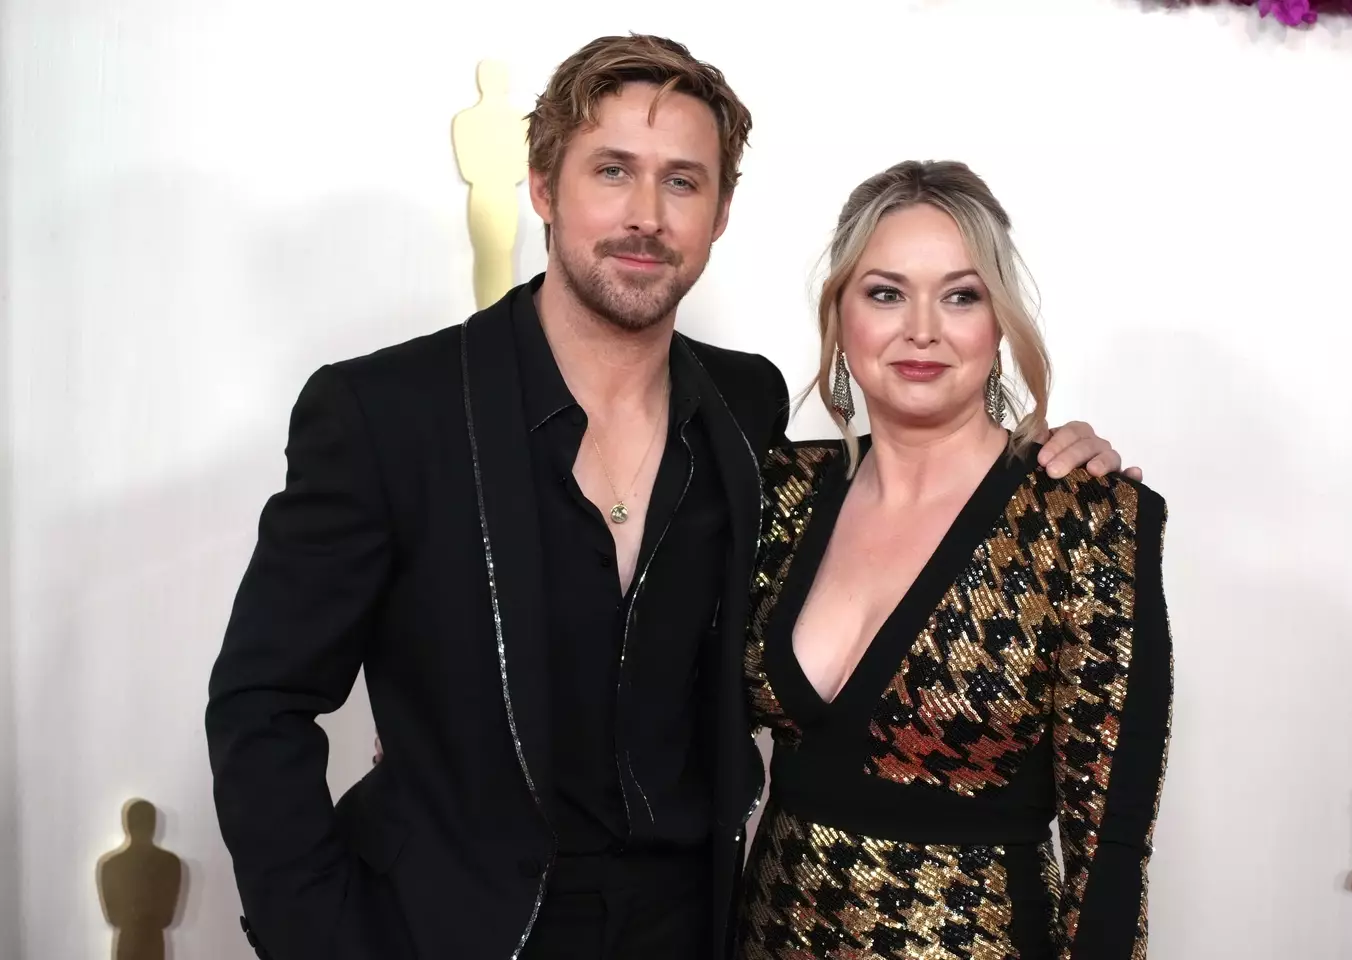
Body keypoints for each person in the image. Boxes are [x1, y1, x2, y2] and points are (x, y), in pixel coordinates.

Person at [205, 35, 1137, 960]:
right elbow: (261, 703)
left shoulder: (747, 410)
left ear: (721, 213)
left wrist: (1050, 456)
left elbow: (916, 485)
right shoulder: (385, 413)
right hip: (451, 925)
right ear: (542, 186)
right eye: (613, 170)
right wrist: (323, 938)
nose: (646, 215)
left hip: (699, 927)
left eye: (683, 182)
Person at [739, 160, 1173, 960]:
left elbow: (1109, 844)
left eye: (961, 295)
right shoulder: (781, 493)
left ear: (1000, 321)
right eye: (885, 292)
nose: (923, 329)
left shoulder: (1083, 518)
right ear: (840, 314)